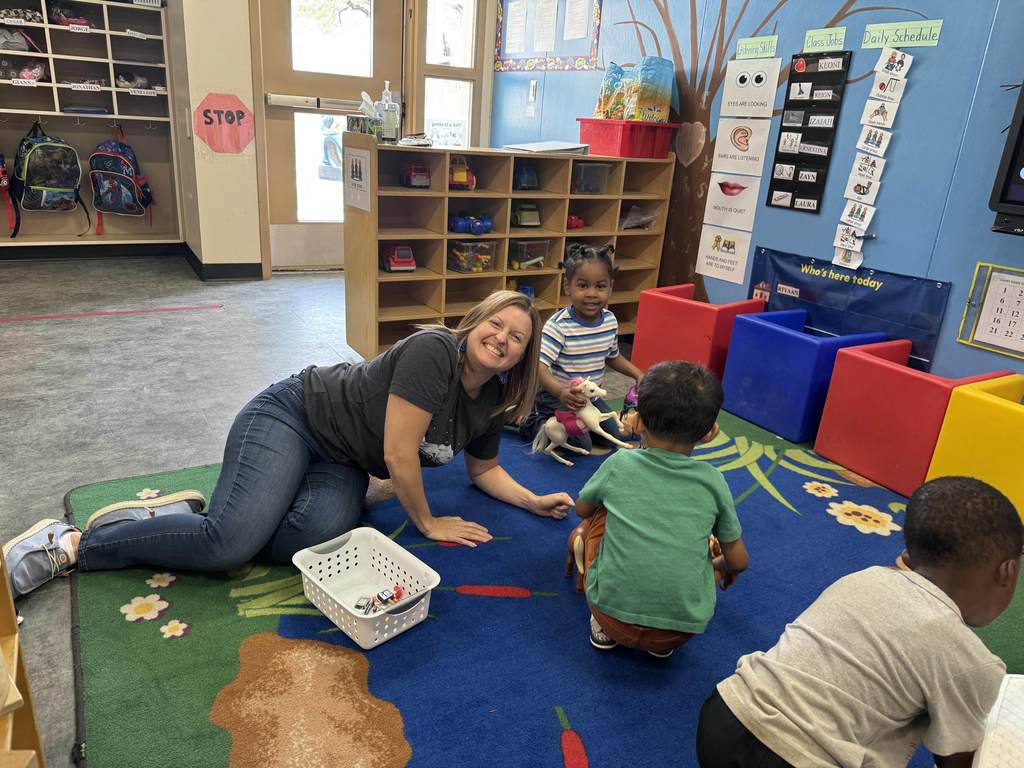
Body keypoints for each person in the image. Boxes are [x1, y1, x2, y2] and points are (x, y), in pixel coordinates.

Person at [4, 291, 574, 599]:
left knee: (305, 544)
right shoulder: (432, 352)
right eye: (494, 325)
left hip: (343, 460)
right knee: (229, 544)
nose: (501, 338)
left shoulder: (493, 402)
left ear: (524, 356)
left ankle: (193, 513)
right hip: (296, 414)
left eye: (517, 337)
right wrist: (427, 524)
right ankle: (77, 544)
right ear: (472, 324)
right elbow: (401, 458)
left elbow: (483, 472)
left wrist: (532, 501)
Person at [698, 476, 1022, 768]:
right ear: (1007, 571)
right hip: (800, 758)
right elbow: (957, 759)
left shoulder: (863, 578)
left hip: (726, 713)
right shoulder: (975, 663)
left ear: (907, 554)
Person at [569, 361, 749, 657]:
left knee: (598, 516)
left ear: (637, 422)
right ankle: (662, 629)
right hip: (678, 635)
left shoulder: (619, 463)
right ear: (711, 432)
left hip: (612, 618)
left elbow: (581, 509)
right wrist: (712, 568)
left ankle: (602, 628)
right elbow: (739, 562)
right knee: (712, 541)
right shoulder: (713, 481)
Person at [519, 243, 643, 452]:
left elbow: (612, 357)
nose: (592, 294)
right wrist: (561, 392)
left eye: (600, 286)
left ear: (610, 287)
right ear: (568, 286)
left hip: (589, 399)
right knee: (579, 443)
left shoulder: (610, 321)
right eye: (583, 285)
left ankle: (575, 427)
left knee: (612, 437)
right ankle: (528, 421)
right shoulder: (559, 325)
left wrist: (637, 374)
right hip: (556, 397)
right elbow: (538, 367)